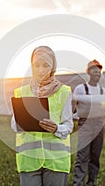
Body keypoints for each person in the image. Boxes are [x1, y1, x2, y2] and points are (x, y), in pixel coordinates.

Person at [11, 46, 73, 186]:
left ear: (53, 67)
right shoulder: (21, 92)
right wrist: (22, 121)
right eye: (36, 65)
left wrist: (56, 128)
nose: (40, 70)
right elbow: (14, 125)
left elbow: (68, 125)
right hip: (28, 159)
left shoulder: (63, 92)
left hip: (56, 160)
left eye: (46, 65)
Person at [72, 59, 105, 186]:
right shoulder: (80, 89)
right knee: (82, 156)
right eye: (94, 70)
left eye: (99, 71)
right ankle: (78, 183)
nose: (97, 73)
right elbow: (74, 107)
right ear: (88, 72)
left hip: (99, 126)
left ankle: (91, 182)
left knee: (95, 157)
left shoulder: (103, 91)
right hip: (85, 126)